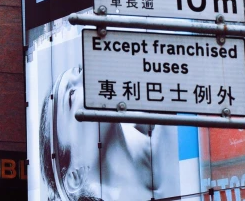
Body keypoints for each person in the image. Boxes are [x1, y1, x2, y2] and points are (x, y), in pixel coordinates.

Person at [39, 66, 179, 200]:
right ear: (74, 176)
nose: (87, 76)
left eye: (80, 70)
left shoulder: (166, 119)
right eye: (71, 96)